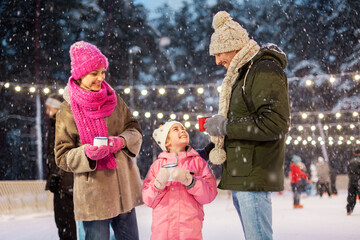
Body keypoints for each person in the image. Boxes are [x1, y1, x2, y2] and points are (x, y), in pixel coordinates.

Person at [204, 11, 290, 240]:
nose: (217, 60)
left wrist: (225, 126)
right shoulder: (242, 74)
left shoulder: (263, 69)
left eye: (219, 53)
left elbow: (275, 123)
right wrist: (211, 144)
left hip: (253, 174)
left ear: (234, 46)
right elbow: (243, 121)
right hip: (243, 173)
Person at [55, 41, 143, 240]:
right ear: (80, 74)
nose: (101, 78)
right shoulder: (66, 110)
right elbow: (62, 156)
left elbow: (134, 129)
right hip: (94, 194)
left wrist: (121, 141)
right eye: (94, 73)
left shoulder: (114, 99)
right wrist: (86, 153)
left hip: (124, 189)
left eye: (102, 72)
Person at [142, 121, 217, 240]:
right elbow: (148, 200)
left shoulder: (198, 163)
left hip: (189, 233)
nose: (182, 130)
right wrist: (157, 185)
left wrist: (190, 181)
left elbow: (209, 195)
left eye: (183, 128)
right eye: (176, 129)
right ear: (167, 142)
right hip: (162, 234)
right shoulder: (157, 166)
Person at [44, 93, 77, 240]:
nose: (47, 112)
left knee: (65, 223)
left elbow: (65, 154)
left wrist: (58, 175)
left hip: (64, 183)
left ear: (57, 108)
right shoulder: (56, 124)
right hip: (62, 182)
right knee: (64, 223)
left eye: (49, 108)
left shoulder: (62, 125)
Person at [346, 149, 360, 215]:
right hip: (359, 180)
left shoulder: (351, 161)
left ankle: (349, 209)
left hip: (352, 180)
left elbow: (348, 170)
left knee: (351, 195)